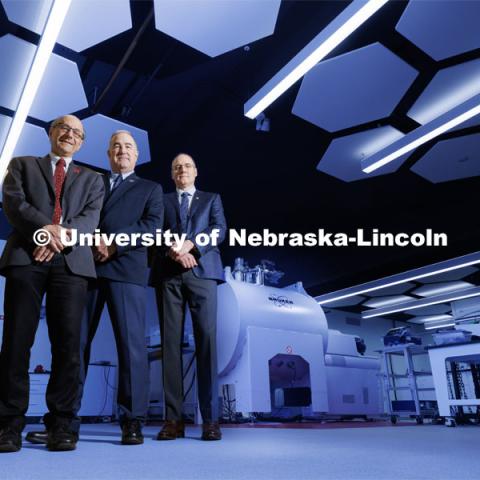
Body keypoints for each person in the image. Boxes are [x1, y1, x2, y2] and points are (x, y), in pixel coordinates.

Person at [26, 130, 163, 446]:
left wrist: (114, 244)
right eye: (115, 145)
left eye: (128, 146)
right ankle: (63, 422)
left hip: (125, 270)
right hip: (84, 268)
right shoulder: (91, 182)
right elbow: (75, 216)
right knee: (72, 347)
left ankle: (132, 422)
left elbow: (152, 227)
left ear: (137, 154)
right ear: (108, 153)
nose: (121, 150)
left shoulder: (150, 189)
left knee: (131, 349)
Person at [0, 115, 104, 452]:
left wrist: (58, 237)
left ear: (82, 142)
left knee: (68, 347)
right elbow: (15, 204)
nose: (70, 135)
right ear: (51, 133)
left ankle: (62, 425)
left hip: (71, 264)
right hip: (26, 257)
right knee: (16, 343)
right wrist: (47, 231)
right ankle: (8, 425)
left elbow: (89, 219)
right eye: (64, 129)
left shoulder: (93, 179)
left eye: (77, 132)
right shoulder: (22, 165)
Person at [150, 153, 226, 441]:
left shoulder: (211, 199)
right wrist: (175, 250)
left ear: (196, 171)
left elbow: (219, 230)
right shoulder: (163, 201)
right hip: (169, 275)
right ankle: (173, 420)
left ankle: (211, 420)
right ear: (172, 174)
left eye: (187, 165)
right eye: (176, 167)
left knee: (206, 343)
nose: (182, 169)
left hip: (204, 274)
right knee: (170, 345)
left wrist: (192, 245)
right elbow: (154, 233)